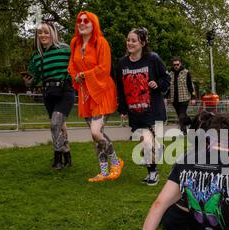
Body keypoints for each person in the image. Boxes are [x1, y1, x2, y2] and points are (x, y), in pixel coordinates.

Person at [68, 11, 124, 182]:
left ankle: (116, 161)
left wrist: (84, 74)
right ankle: (104, 172)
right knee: (95, 136)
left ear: (94, 24)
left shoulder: (101, 42)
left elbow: (104, 68)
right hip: (86, 94)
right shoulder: (75, 43)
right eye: (80, 20)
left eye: (86, 21)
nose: (82, 23)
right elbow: (71, 65)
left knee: (95, 131)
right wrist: (76, 75)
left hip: (102, 91)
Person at [117, 27, 170, 186]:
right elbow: (120, 88)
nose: (130, 43)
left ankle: (153, 172)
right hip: (135, 111)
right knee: (146, 143)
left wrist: (158, 84)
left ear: (143, 43)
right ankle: (154, 164)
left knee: (148, 143)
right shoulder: (122, 63)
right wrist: (123, 109)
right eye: (128, 40)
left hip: (153, 109)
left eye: (134, 40)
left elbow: (166, 78)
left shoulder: (152, 59)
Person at [22, 20, 74, 170]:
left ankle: (57, 159)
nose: (43, 35)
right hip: (48, 93)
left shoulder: (65, 49)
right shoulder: (36, 56)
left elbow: (77, 66)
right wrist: (28, 82)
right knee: (60, 126)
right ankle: (67, 155)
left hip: (65, 91)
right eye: (40, 33)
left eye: (46, 32)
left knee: (54, 124)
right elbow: (34, 79)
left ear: (53, 33)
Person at [168, 57, 195, 135]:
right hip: (174, 99)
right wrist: (166, 97)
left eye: (177, 64)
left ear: (180, 64)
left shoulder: (186, 73)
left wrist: (193, 97)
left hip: (184, 98)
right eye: (174, 65)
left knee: (181, 116)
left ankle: (184, 133)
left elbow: (190, 86)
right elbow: (168, 87)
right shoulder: (170, 74)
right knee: (182, 116)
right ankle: (192, 123)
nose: (176, 66)